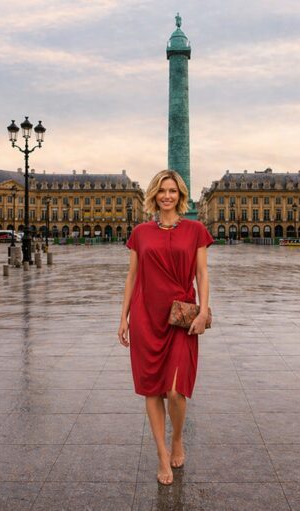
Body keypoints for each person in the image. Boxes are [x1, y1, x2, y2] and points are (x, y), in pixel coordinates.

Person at [117, 169, 213, 486]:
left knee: (175, 391)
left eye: (172, 191)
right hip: (147, 315)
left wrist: (204, 311)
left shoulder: (196, 229)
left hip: (180, 317)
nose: (167, 196)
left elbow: (202, 274)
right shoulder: (141, 232)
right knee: (152, 389)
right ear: (154, 195)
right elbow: (132, 276)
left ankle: (177, 438)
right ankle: (161, 453)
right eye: (162, 191)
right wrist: (123, 317)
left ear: (181, 195)